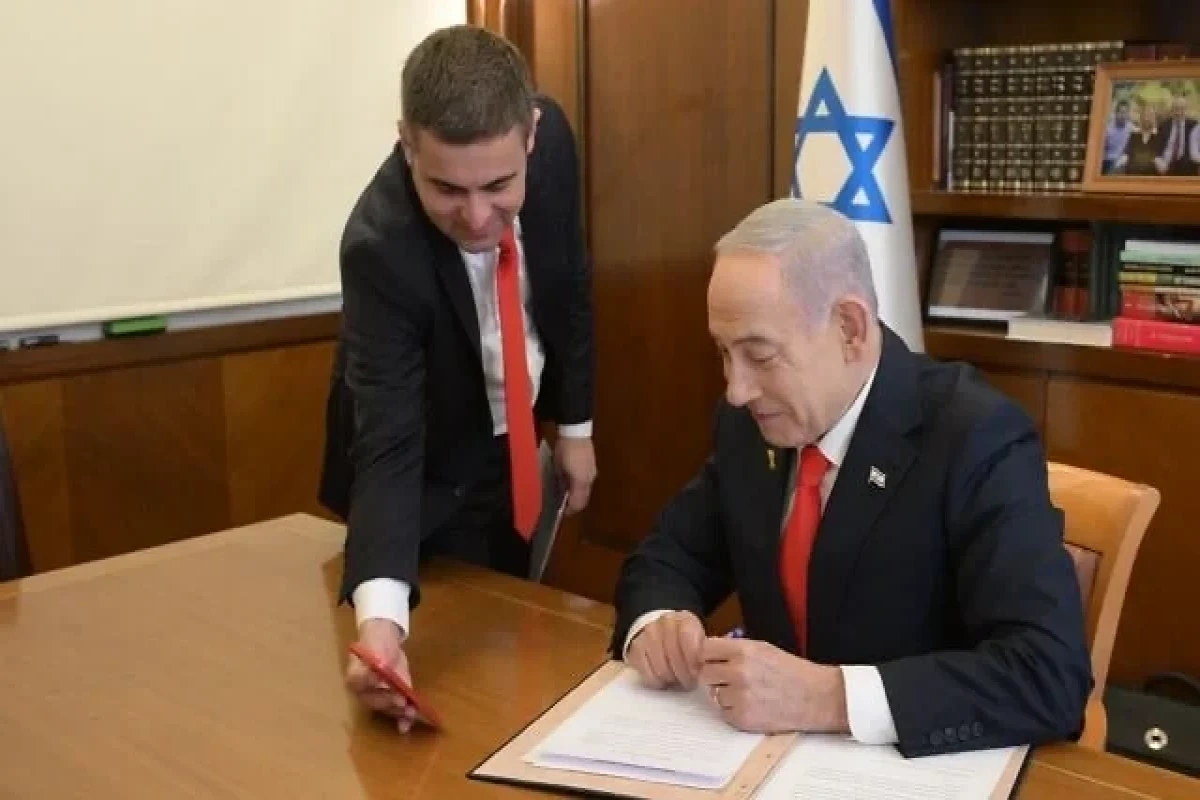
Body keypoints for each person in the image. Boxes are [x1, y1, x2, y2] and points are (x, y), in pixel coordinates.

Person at [612, 198, 1092, 758]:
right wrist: (658, 623)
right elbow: (667, 558)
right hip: (761, 764)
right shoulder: (751, 423)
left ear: (849, 328)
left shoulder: (974, 437)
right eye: (724, 352)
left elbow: (1048, 674)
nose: (736, 389)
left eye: (759, 355)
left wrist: (829, 698)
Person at [319, 24, 596, 731]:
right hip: (426, 473)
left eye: (499, 186)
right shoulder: (380, 246)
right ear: (407, 144)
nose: (476, 217)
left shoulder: (554, 143)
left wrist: (575, 424)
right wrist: (380, 628)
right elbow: (387, 444)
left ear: (530, 137)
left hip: (518, 444)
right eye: (446, 188)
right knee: (466, 684)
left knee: (522, 648)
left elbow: (566, 279)